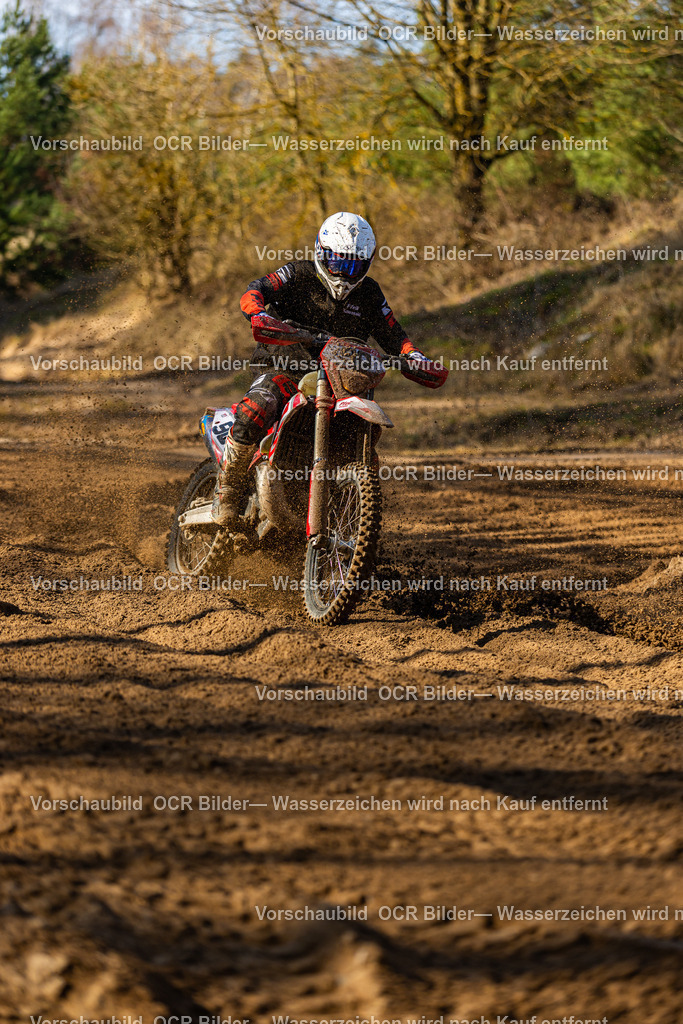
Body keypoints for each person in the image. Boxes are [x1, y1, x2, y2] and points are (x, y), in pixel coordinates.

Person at [212, 211, 448, 525]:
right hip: (285, 368)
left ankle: (354, 517)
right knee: (258, 405)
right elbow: (256, 289)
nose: (345, 273)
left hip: (340, 380)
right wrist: (257, 312)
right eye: (339, 263)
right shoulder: (297, 274)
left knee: (362, 436)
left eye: (354, 266)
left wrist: (413, 357)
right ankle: (227, 490)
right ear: (321, 253)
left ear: (367, 264)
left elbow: (394, 333)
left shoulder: (369, 293)